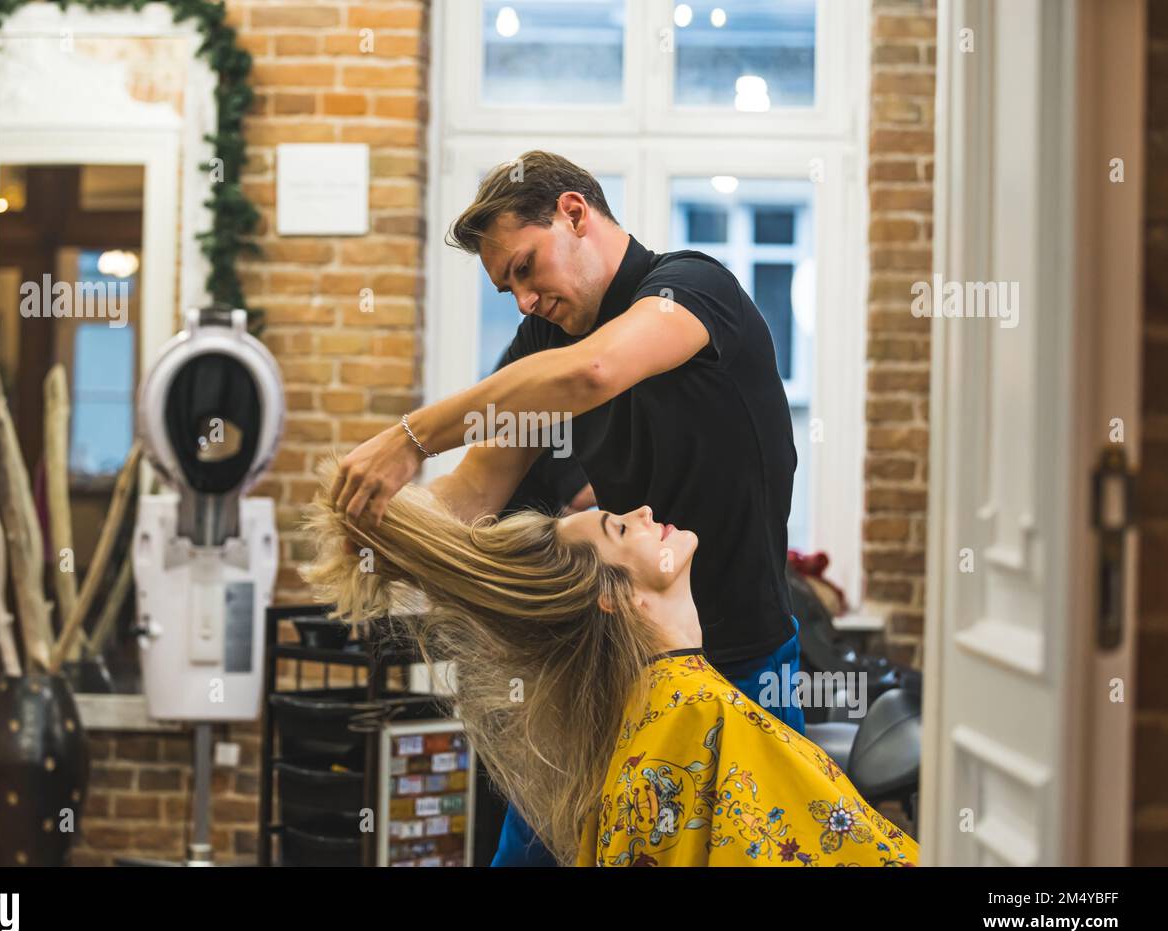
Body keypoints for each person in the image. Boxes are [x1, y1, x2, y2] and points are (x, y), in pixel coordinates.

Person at [330, 150, 803, 864]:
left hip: (743, 666)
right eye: (505, 288)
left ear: (575, 213)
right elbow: (476, 490)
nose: (522, 299)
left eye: (525, 267)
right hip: (614, 673)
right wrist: (378, 530)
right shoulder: (544, 341)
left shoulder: (694, 288)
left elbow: (594, 372)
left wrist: (410, 437)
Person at [303, 467, 918, 867]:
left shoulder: (661, 719)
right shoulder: (695, 718)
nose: (648, 512)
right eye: (623, 526)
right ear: (613, 594)